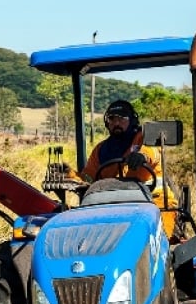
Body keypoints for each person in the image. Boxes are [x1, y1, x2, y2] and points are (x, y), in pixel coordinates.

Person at [77, 99, 181, 235]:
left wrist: (141, 156)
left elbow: (152, 152)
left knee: (159, 238)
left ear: (132, 120)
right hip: (114, 204)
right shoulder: (101, 149)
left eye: (122, 119)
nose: (116, 123)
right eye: (112, 119)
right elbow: (88, 176)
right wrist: (71, 176)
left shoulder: (143, 138)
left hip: (153, 201)